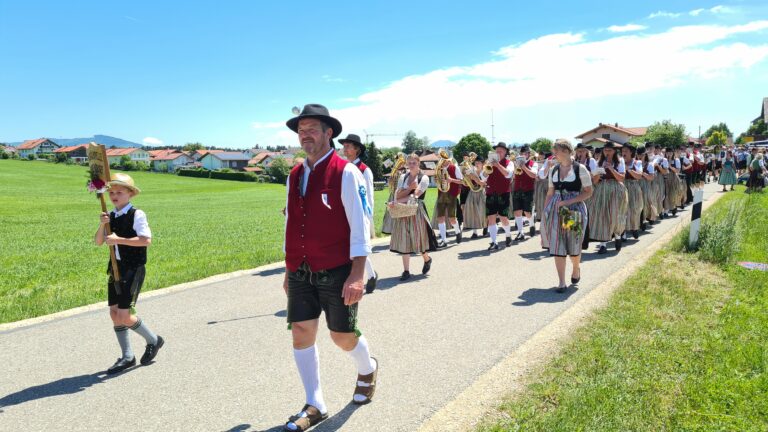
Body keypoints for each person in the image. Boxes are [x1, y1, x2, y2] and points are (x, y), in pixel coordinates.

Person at [282, 104, 378, 431]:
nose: (305, 135)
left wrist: (357, 273)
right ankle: (315, 403)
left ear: (328, 133)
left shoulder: (346, 172)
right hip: (300, 269)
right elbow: (292, 223)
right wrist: (287, 268)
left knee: (342, 336)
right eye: (301, 130)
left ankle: (367, 368)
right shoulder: (294, 174)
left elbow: (361, 225)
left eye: (312, 129)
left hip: (337, 268)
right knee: (300, 331)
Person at [94, 173, 164, 374]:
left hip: (132, 269)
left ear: (130, 194)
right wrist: (102, 224)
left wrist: (119, 240)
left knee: (125, 315)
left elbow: (145, 240)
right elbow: (99, 241)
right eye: (111, 192)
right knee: (114, 314)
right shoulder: (111, 216)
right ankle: (127, 357)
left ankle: (153, 340)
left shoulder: (137, 214)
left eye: (119, 192)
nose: (114, 195)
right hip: (115, 267)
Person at [541, 139, 593, 293]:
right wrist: (545, 213)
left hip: (573, 210)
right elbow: (550, 193)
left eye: (556, 151)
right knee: (557, 245)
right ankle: (561, 282)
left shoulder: (580, 169)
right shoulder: (554, 170)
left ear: (565, 151)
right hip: (556, 210)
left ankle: (576, 268)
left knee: (573, 244)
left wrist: (569, 201)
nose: (554, 154)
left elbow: (588, 192)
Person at [340, 133, 378, 294]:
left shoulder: (364, 170)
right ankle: (371, 274)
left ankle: (367, 275)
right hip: (347, 212)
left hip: (360, 214)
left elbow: (369, 197)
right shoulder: (343, 168)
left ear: (356, 150)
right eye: (344, 146)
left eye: (348, 146)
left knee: (356, 245)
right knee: (351, 246)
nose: (345, 149)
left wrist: (367, 219)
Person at [389, 153, 437, 280]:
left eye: (413, 163)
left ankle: (427, 259)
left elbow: (414, 196)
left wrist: (400, 198)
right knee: (404, 239)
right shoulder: (403, 177)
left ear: (418, 163)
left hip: (417, 210)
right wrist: (408, 188)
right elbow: (397, 195)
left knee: (417, 239)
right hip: (403, 210)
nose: (411, 165)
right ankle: (406, 271)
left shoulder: (424, 178)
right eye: (409, 163)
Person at [588, 141, 628, 254]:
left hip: (616, 189)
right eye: (605, 150)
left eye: (609, 150)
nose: (607, 152)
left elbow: (621, 178)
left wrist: (611, 168)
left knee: (615, 214)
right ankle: (603, 244)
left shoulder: (620, 161)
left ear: (614, 151)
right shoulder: (598, 162)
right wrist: (597, 174)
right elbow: (594, 181)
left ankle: (617, 235)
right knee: (602, 216)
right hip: (602, 189)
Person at [482, 142, 514, 250]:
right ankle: (494, 241)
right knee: (491, 217)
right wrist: (489, 166)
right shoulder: (489, 162)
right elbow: (483, 175)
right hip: (490, 192)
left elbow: (508, 174)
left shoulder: (509, 163)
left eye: (501, 151)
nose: (498, 152)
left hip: (503, 193)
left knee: (503, 217)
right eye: (497, 150)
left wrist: (497, 165)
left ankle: (508, 235)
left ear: (505, 152)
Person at [432, 153, 464, 247]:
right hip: (441, 193)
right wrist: (436, 178)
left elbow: (462, 181)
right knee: (440, 217)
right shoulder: (439, 168)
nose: (442, 161)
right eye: (441, 159)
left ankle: (457, 231)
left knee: (451, 218)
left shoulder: (454, 168)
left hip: (452, 194)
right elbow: (437, 180)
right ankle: (444, 240)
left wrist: (451, 180)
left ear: (449, 160)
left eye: (444, 159)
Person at [510, 145, 539, 241]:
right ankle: (520, 232)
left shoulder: (533, 163)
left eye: (525, 153)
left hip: (528, 190)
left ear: (528, 154)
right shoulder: (515, 163)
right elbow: (513, 176)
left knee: (527, 212)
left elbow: (534, 175)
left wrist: (524, 167)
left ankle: (531, 224)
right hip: (517, 189)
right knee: (517, 211)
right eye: (521, 153)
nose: (523, 155)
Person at [622, 143, 644, 240]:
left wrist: (629, 170)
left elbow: (639, 176)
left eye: (626, 151)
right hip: (622, 187)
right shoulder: (619, 162)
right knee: (623, 210)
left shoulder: (637, 163)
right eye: (622, 151)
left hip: (634, 187)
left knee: (634, 209)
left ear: (631, 152)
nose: (623, 153)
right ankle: (623, 233)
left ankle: (634, 227)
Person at [462, 156, 488, 238]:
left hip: (482, 192)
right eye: (476, 163)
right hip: (473, 192)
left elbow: (484, 183)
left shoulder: (486, 171)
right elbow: (466, 182)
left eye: (479, 163)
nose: (477, 164)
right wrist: (467, 176)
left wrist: (474, 176)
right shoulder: (472, 171)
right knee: (473, 211)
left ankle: (486, 226)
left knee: (484, 211)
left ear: (483, 164)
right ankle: (475, 232)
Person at [638, 147, 658, 227]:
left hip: (645, 184)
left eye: (641, 155)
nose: (640, 156)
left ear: (645, 155)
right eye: (638, 155)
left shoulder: (649, 164)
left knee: (647, 202)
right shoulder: (635, 163)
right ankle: (640, 220)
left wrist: (642, 173)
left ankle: (649, 216)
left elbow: (651, 177)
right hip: (636, 184)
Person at [534, 152, 553, 226]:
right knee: (541, 201)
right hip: (544, 182)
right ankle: (543, 219)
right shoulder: (549, 159)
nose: (541, 156)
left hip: (552, 183)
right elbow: (542, 174)